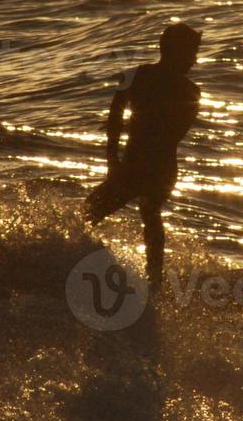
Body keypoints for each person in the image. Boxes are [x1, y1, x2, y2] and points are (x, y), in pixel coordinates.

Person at [85, 22, 202, 292]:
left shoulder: (180, 88)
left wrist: (114, 158)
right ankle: (154, 281)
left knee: (143, 212)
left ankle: (155, 282)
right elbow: (115, 115)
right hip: (139, 166)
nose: (195, 61)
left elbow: (169, 134)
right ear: (173, 51)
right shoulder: (140, 76)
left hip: (155, 167)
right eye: (191, 53)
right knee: (121, 212)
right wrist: (112, 159)